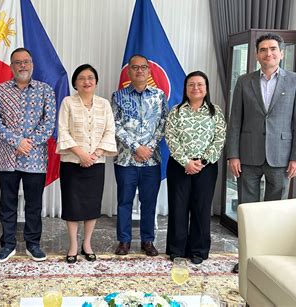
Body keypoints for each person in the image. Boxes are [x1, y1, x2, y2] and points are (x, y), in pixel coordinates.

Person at [226, 33, 296, 273]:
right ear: (256, 54)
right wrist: (233, 154)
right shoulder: (244, 81)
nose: (268, 53)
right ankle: (246, 258)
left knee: (275, 213)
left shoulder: (295, 81)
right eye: (263, 49)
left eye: (273, 49)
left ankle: (269, 261)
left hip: (281, 158)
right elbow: (235, 121)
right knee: (248, 211)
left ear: (281, 53)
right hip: (248, 157)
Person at [0, 47, 56, 263]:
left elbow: (49, 124)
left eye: (26, 61)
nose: (22, 66)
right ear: (11, 66)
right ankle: (8, 244)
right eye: (18, 62)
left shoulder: (46, 91)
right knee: (7, 203)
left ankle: (33, 244)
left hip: (35, 159)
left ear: (32, 65)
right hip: (6, 156)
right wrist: (16, 141)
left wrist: (29, 144)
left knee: (33, 203)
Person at [56, 64, 117, 264]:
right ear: (75, 83)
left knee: (92, 204)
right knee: (73, 205)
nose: (87, 81)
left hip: (96, 163)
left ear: (96, 82)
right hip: (72, 162)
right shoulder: (68, 102)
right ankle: (73, 245)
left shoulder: (104, 104)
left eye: (90, 77)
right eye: (82, 78)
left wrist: (96, 154)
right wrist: (81, 154)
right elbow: (63, 131)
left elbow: (110, 130)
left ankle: (87, 243)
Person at [164, 71, 226, 264]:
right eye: (191, 84)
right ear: (185, 88)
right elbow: (171, 138)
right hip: (179, 166)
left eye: (200, 84)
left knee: (201, 209)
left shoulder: (215, 112)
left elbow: (219, 138)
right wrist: (186, 162)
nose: (196, 88)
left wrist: (203, 162)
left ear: (206, 88)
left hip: (206, 168)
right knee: (178, 208)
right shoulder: (175, 111)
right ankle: (176, 250)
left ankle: (198, 251)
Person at [111, 54, 168, 257]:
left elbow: (163, 123)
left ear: (149, 71)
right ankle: (124, 241)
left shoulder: (159, 96)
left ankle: (147, 240)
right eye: (135, 67)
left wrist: (149, 148)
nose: (139, 71)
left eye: (143, 67)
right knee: (124, 201)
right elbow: (115, 125)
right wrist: (136, 147)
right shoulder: (118, 96)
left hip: (152, 160)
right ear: (129, 71)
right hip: (126, 159)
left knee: (149, 202)